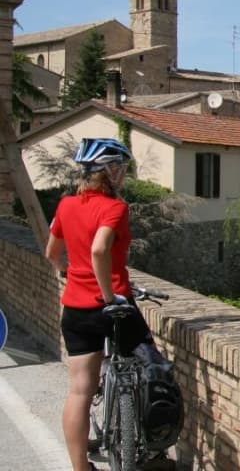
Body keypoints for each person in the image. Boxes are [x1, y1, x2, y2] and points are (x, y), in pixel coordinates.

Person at [45, 137, 151, 471]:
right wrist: (108, 295)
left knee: (79, 391)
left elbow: (51, 253)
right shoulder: (115, 207)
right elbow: (100, 250)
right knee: (153, 363)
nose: (122, 174)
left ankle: (81, 467)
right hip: (112, 304)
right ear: (107, 170)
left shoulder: (65, 205)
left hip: (74, 308)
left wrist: (68, 272)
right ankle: (151, 443)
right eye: (119, 167)